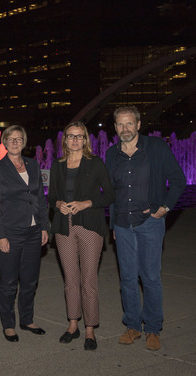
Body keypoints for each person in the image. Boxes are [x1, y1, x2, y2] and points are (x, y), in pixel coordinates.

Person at [106, 106, 186, 351]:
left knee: (150, 277)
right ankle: (132, 326)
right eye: (120, 124)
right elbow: (111, 192)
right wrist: (113, 225)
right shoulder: (111, 154)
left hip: (150, 222)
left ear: (138, 125)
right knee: (128, 278)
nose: (125, 129)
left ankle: (152, 329)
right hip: (122, 223)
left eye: (129, 124)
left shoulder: (156, 148)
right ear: (116, 127)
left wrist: (164, 207)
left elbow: (178, 180)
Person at [48, 122, 115, 350]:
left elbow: (110, 194)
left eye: (79, 136)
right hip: (63, 226)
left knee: (88, 280)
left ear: (85, 140)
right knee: (70, 280)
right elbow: (52, 196)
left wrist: (87, 202)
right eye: (70, 136)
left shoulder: (95, 163)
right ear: (64, 140)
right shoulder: (57, 166)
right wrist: (57, 203)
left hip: (89, 225)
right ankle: (73, 325)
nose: (75, 140)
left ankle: (90, 329)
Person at [0, 125, 49, 343]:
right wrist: (0, 235)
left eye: (18, 138)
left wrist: (44, 226)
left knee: (30, 280)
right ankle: (8, 324)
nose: (15, 142)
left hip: (33, 231)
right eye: (10, 139)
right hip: (10, 232)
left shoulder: (32, 165)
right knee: (9, 282)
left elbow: (40, 198)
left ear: (24, 141)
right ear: (4, 142)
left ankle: (27, 319)